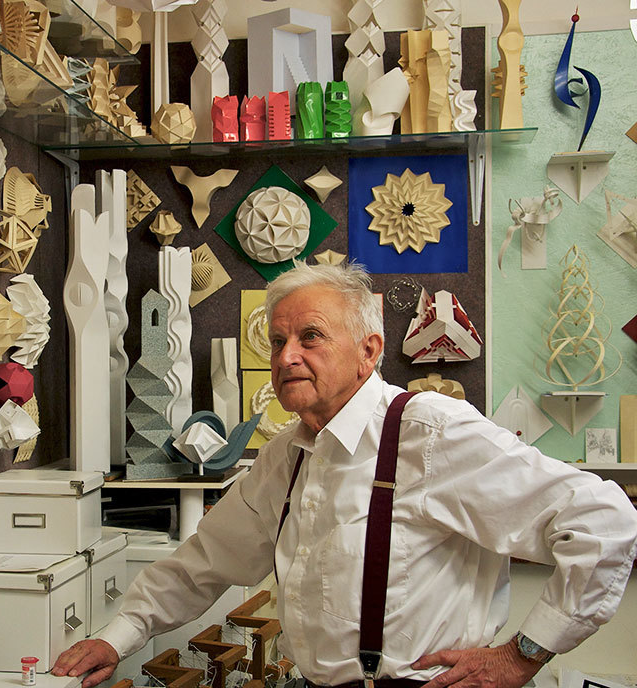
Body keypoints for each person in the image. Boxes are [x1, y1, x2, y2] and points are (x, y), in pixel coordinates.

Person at [52, 262, 637, 688]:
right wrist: (117, 637)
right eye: (277, 341)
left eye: (310, 337)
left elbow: (604, 522)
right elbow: (203, 563)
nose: (286, 357)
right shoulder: (287, 455)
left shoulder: (430, 432)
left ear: (369, 351)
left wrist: (521, 656)